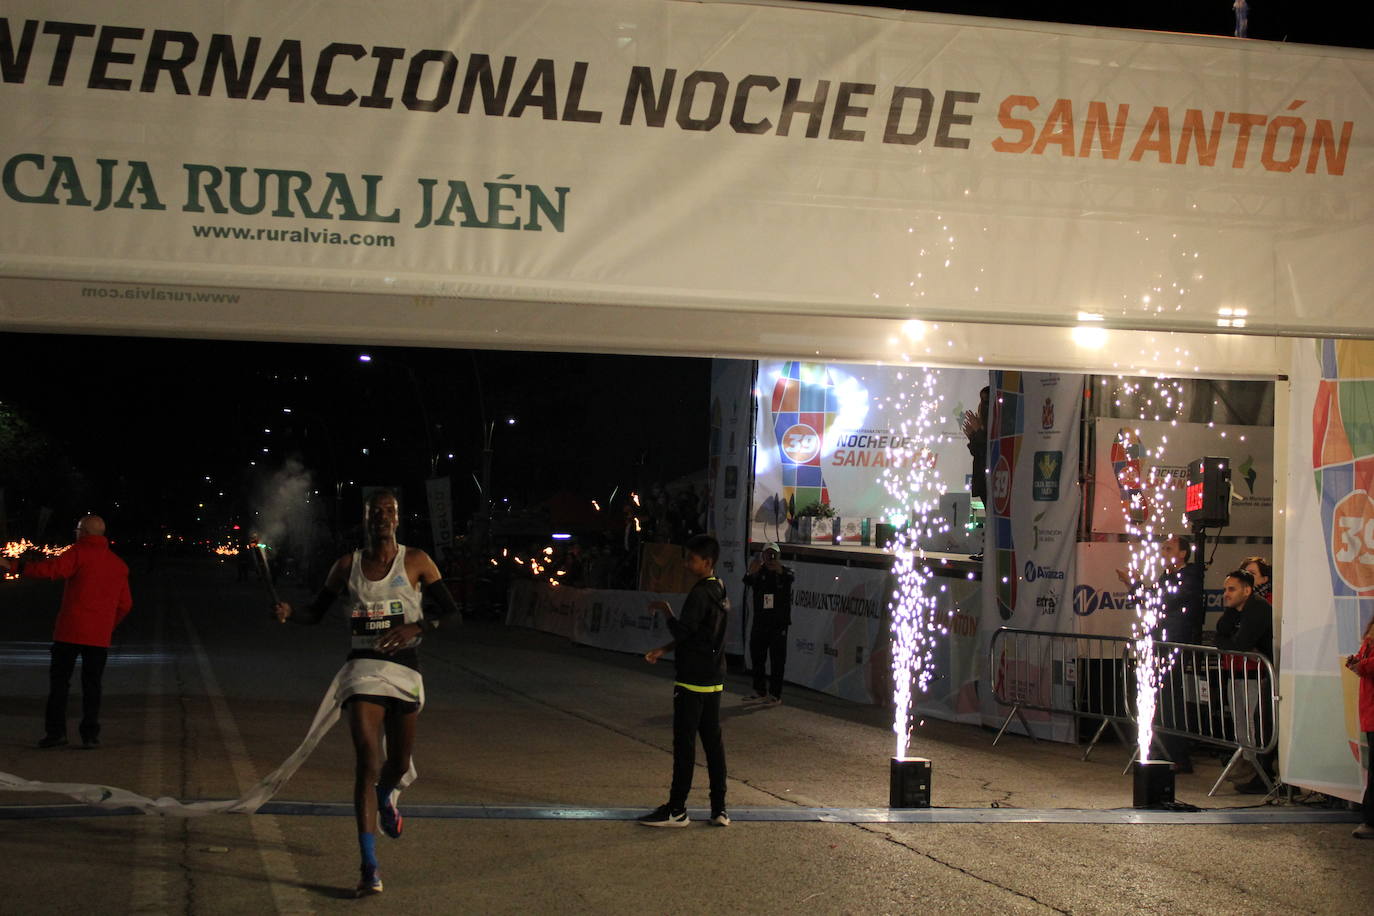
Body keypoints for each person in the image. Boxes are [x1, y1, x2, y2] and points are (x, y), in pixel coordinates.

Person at [274, 489, 461, 896]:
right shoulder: (347, 565)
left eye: (389, 511)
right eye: (375, 512)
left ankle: (386, 796)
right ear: (366, 518)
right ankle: (368, 866)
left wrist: (418, 626)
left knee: (397, 762)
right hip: (361, 670)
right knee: (367, 761)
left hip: (405, 670)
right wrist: (292, 614)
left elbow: (452, 613)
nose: (382, 517)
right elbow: (315, 612)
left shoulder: (417, 561)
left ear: (397, 518)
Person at [1, 515, 132, 750]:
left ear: (83, 532)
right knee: (92, 686)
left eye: (78, 529)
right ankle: (90, 735)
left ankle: (56, 733)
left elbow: (52, 570)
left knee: (60, 684)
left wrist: (16, 566)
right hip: (98, 636)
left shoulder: (78, 553)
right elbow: (125, 604)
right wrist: (107, 625)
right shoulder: (118, 565)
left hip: (70, 632)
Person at [639, 534, 731, 828]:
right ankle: (720, 809)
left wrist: (667, 611)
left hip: (692, 680)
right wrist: (663, 650)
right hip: (714, 678)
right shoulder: (719, 588)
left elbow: (683, 632)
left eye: (691, 558)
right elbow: (697, 633)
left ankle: (677, 809)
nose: (687, 563)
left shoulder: (699, 594)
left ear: (707, 561)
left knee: (685, 746)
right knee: (713, 746)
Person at [1115, 535, 1204, 771]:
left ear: (1183, 553)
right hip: (1160, 643)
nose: (1163, 551)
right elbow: (1150, 600)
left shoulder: (1190, 576)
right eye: (1163, 547)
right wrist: (1132, 585)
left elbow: (1163, 600)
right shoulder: (1167, 576)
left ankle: (1179, 755)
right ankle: (1162, 747)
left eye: (1169, 547)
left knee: (1171, 699)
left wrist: (1135, 585)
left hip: (1174, 644)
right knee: (1159, 699)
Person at [1215, 568, 1276, 793]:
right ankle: (1250, 771)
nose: (1226, 594)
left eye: (1232, 589)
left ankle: (1262, 774)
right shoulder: (1235, 610)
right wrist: (1231, 641)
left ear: (1247, 590)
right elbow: (1220, 635)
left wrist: (1231, 642)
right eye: (1225, 589)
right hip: (1241, 673)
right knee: (1243, 725)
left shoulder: (1258, 609)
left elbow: (1239, 644)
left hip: (1262, 675)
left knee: (1257, 726)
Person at [743, 542, 793, 704]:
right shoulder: (759, 571)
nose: (771, 558)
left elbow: (791, 577)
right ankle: (759, 690)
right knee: (757, 657)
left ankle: (775, 694)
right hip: (760, 622)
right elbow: (747, 580)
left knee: (777, 660)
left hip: (778, 624)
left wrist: (778, 569)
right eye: (768, 554)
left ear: (779, 556)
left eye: (774, 554)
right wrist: (751, 571)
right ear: (763, 556)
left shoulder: (785, 572)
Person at [1343, 615, 1374, 839]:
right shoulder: (1369, 640)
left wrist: (1359, 665)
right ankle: (1370, 819)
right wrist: (1358, 664)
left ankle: (1370, 820)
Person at [961, 386, 989, 561]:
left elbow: (987, 450)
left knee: (993, 517)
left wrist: (977, 433)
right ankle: (987, 550)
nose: (982, 405)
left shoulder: (996, 424)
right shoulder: (984, 425)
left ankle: (989, 551)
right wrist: (973, 435)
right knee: (990, 516)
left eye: (986, 401)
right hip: (982, 477)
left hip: (991, 478)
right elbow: (978, 451)